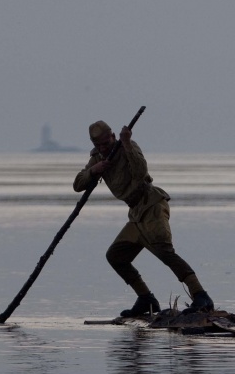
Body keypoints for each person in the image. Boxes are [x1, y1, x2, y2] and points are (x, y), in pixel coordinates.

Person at [74, 120, 213, 317]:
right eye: (99, 145)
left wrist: (126, 143)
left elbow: (141, 172)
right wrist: (93, 171)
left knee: (164, 251)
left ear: (113, 137)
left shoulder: (128, 146)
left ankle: (201, 296)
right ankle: (146, 299)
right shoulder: (97, 158)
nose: (103, 148)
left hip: (152, 206)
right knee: (116, 256)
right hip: (136, 214)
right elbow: (78, 184)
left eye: (106, 143)